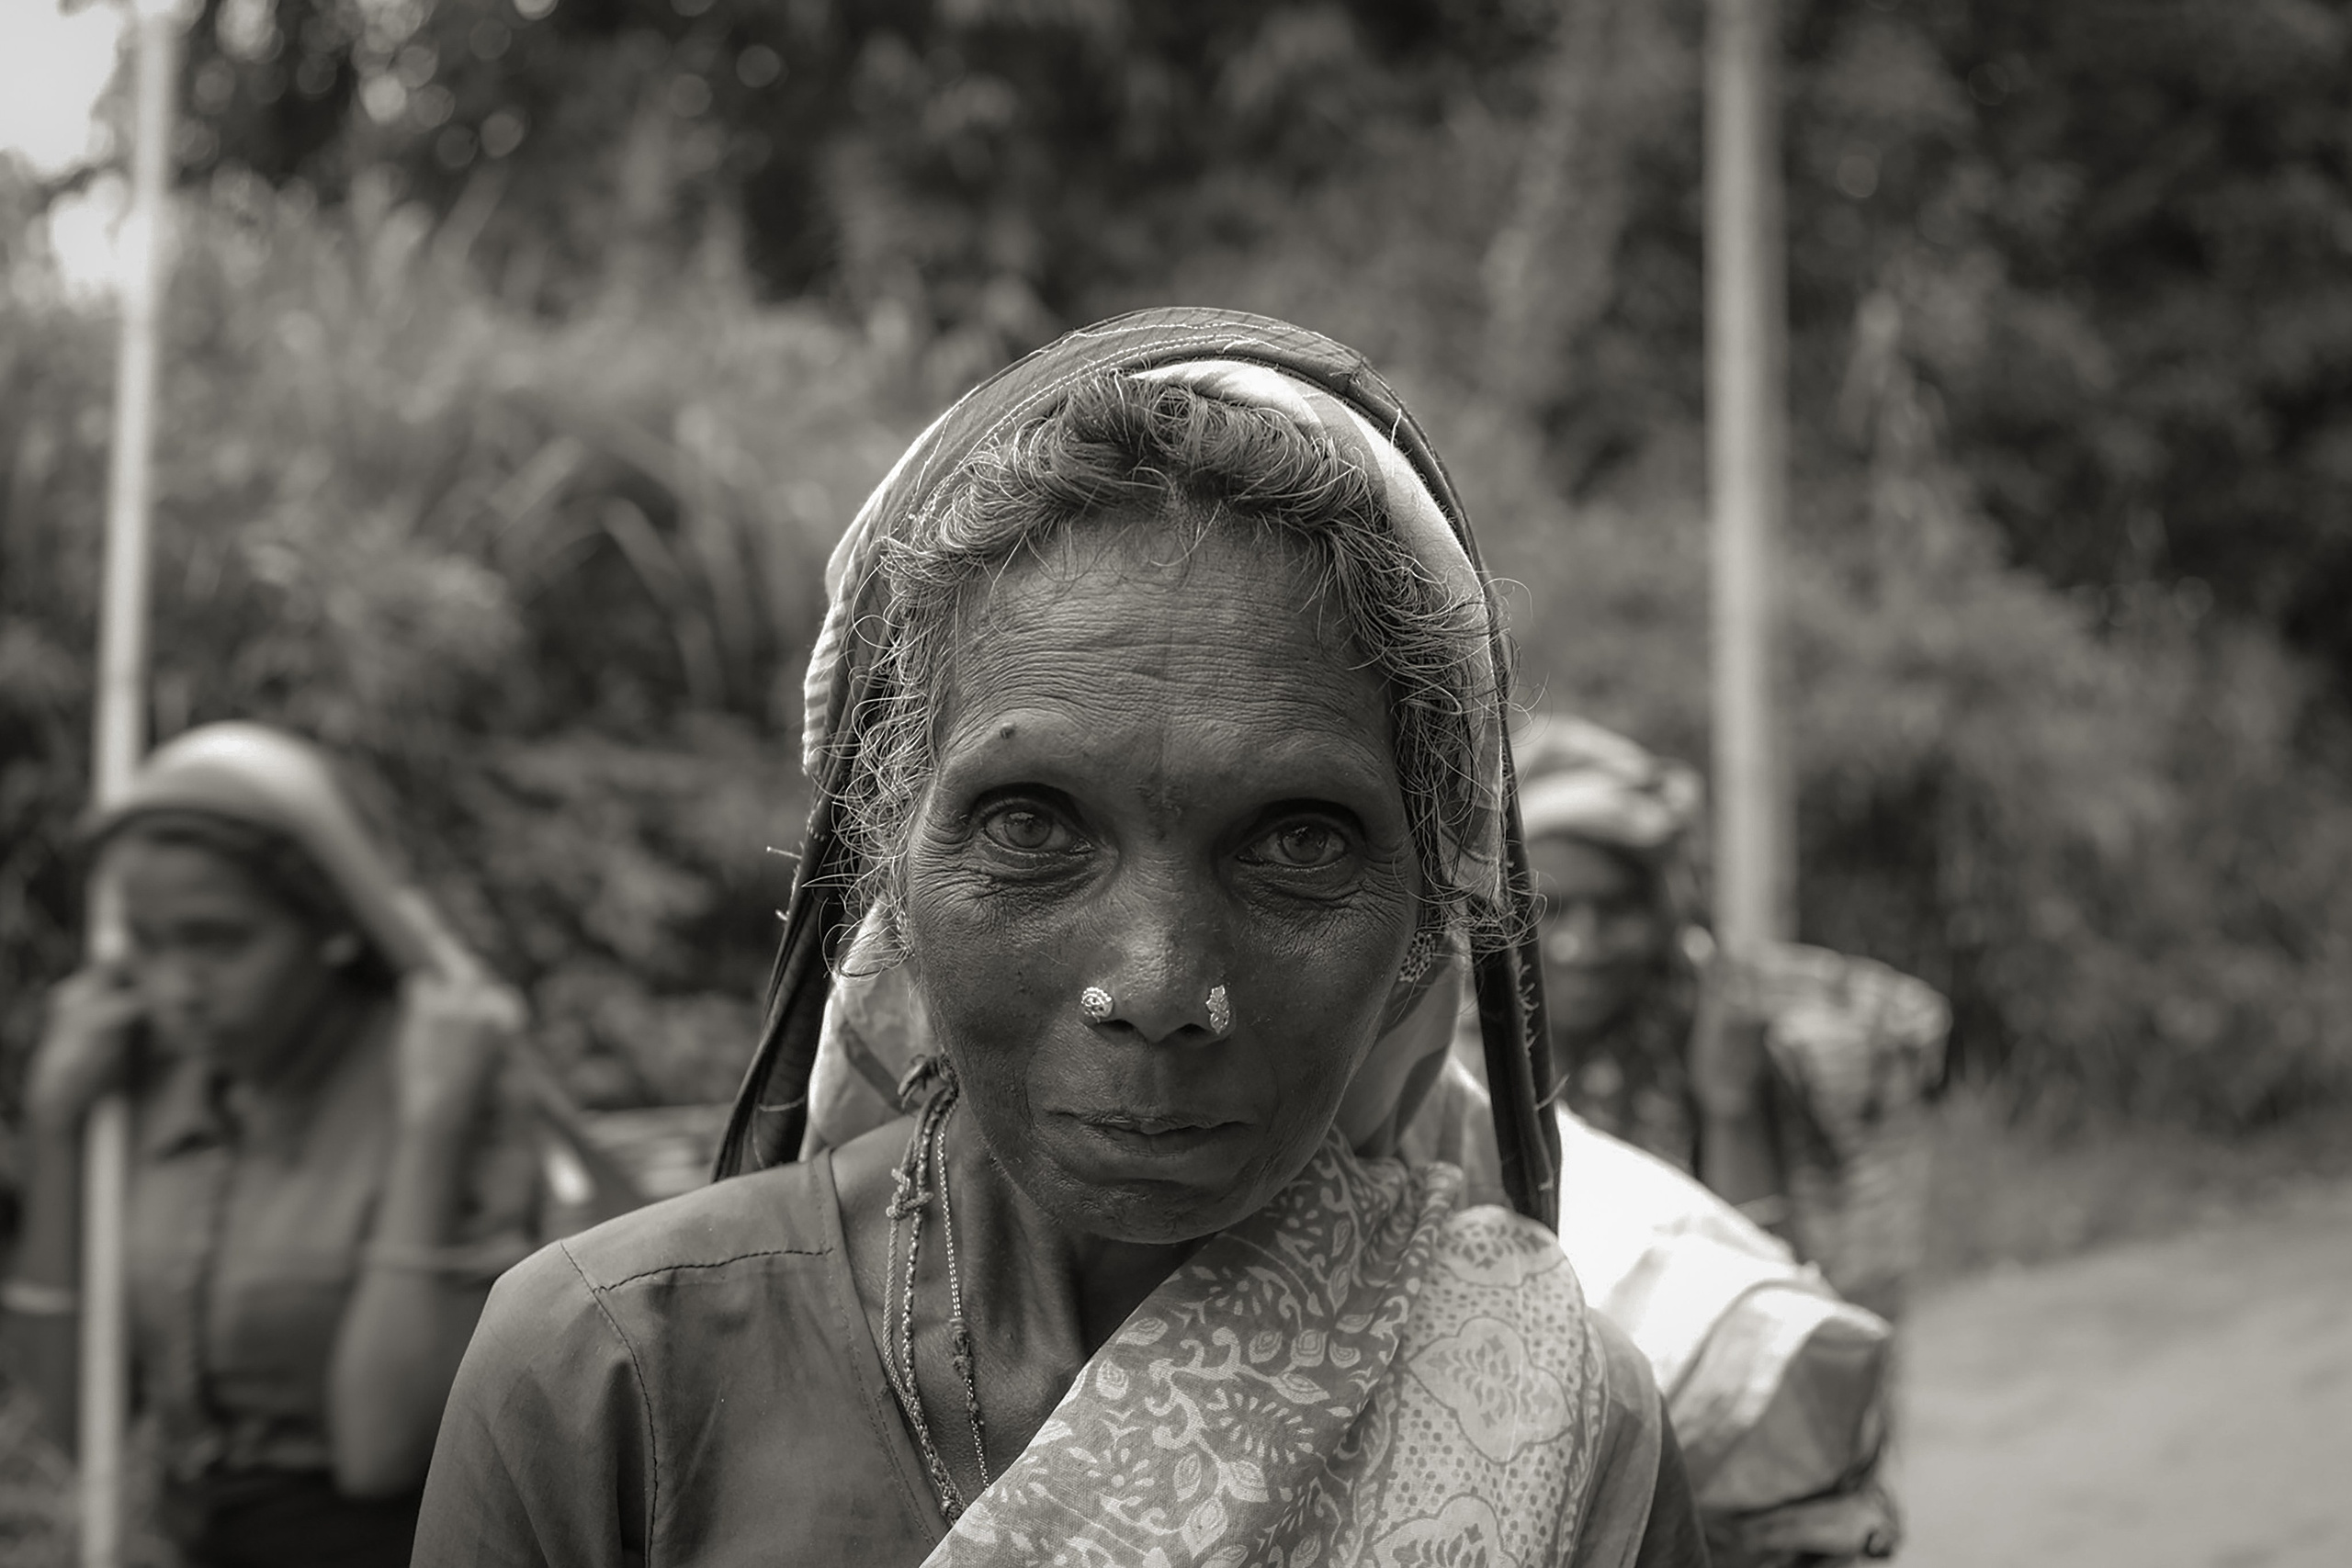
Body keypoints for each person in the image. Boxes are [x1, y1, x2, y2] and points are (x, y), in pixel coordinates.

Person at [413, 309, 1710, 1566]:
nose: (1156, 987)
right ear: (889, 864)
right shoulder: (609, 1374)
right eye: (1032, 825)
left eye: (1298, 841)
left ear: (1434, 916)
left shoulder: (1556, 1420)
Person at [3, 724, 549, 1568]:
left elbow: (380, 1450)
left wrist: (432, 1132)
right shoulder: (141, 1083)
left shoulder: (444, 1076)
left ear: (330, 924)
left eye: (218, 942)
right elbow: (85, 1429)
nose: (176, 988)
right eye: (147, 944)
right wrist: (54, 1129)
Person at [1506, 716, 1949, 1321]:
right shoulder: (1461, 1050)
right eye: (1549, 909)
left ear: (1666, 906)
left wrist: (1731, 1104)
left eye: (1614, 907)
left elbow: (1770, 1306)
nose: (1581, 944)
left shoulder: (1732, 1028)